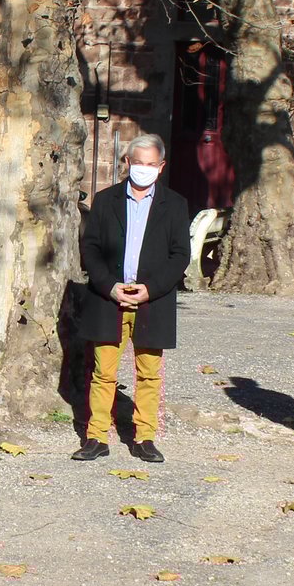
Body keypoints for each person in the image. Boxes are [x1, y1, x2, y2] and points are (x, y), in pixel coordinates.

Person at [76, 134, 191, 462]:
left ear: (161, 166)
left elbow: (180, 255)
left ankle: (145, 437)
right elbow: (90, 248)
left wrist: (150, 289)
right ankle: (97, 437)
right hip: (109, 299)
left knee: (149, 373)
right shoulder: (105, 200)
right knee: (103, 373)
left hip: (152, 302)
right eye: (138, 162)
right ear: (127, 162)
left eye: (151, 164)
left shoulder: (176, 204)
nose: (144, 168)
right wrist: (109, 286)